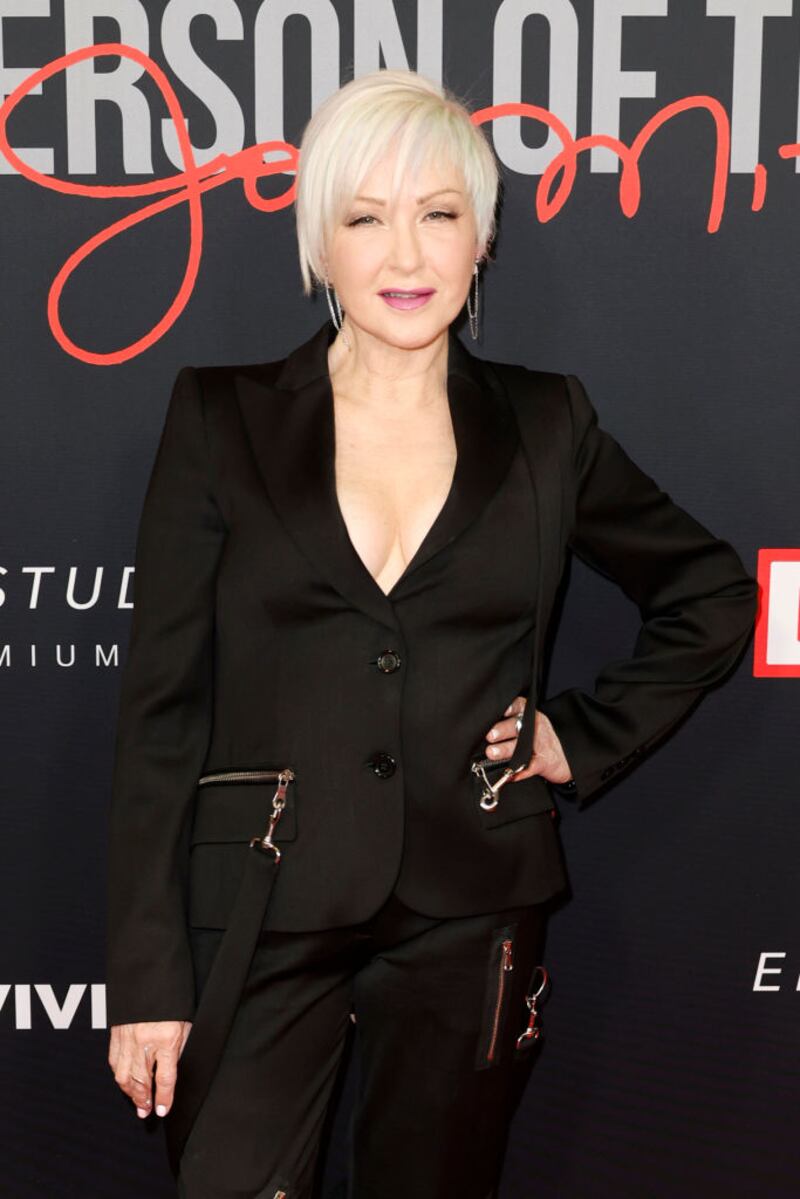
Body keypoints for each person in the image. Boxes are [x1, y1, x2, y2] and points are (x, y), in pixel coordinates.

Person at [105, 68, 758, 1198]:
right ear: (321, 244)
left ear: (480, 239)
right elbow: (161, 714)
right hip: (259, 900)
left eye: (439, 214)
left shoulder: (546, 424)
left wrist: (577, 735)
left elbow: (709, 592)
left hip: (472, 898)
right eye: (366, 219)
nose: (405, 255)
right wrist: (147, 977)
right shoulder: (220, 418)